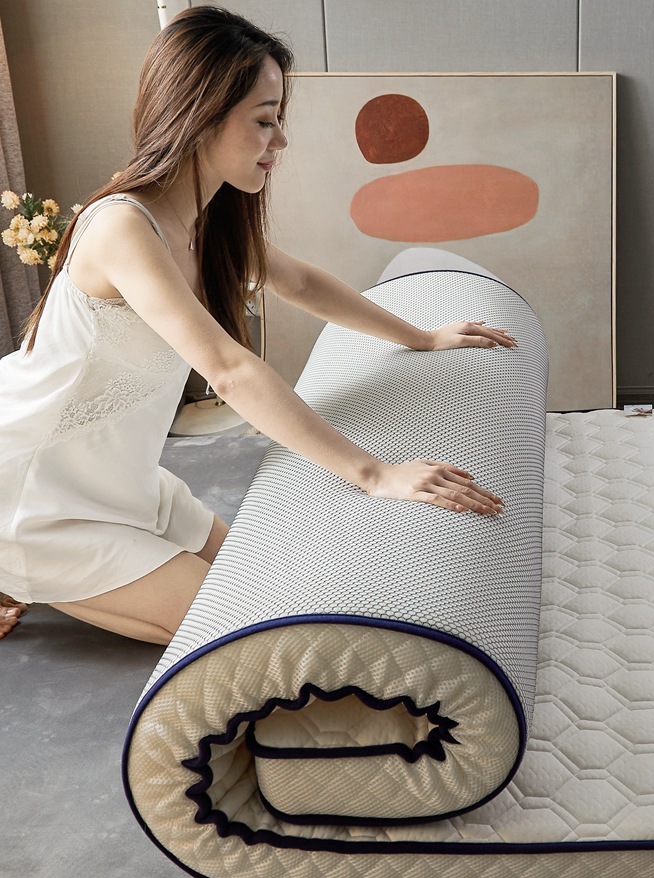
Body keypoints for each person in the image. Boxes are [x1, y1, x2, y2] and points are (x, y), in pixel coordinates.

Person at [0, 6, 514, 645]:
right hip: (32, 492)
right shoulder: (121, 227)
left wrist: (422, 337)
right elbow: (227, 369)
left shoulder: (205, 221)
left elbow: (300, 283)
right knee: (249, 631)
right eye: (265, 120)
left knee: (279, 587)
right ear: (200, 116)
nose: (282, 141)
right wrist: (375, 474)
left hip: (121, 483)